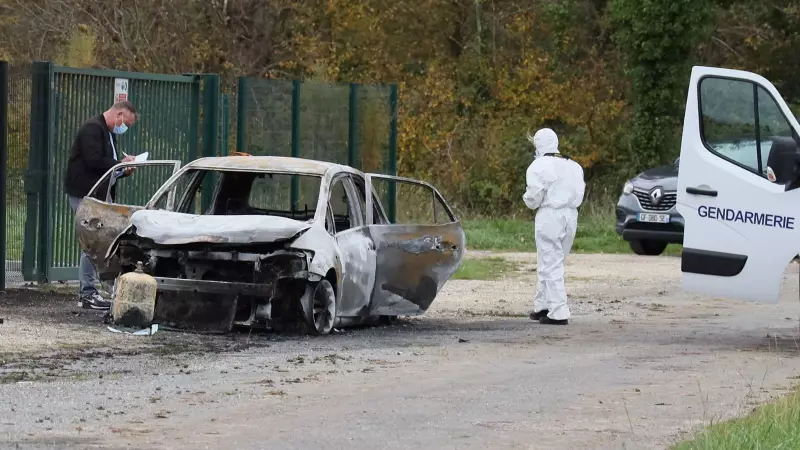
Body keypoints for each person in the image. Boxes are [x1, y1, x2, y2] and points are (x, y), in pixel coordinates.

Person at [64, 102, 137, 310]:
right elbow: (94, 161)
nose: (125, 128)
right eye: (127, 124)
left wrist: (123, 170)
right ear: (119, 114)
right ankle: (88, 293)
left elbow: (106, 166)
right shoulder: (92, 129)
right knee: (93, 242)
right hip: (87, 195)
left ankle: (97, 290)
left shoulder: (107, 132)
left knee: (103, 242)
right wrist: (120, 164)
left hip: (99, 195)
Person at [523, 128, 585, 325]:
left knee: (550, 263)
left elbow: (533, 199)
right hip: (571, 216)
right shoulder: (574, 166)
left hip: (550, 215)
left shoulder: (537, 166)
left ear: (539, 145)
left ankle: (559, 312)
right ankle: (543, 306)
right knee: (552, 261)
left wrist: (526, 199)